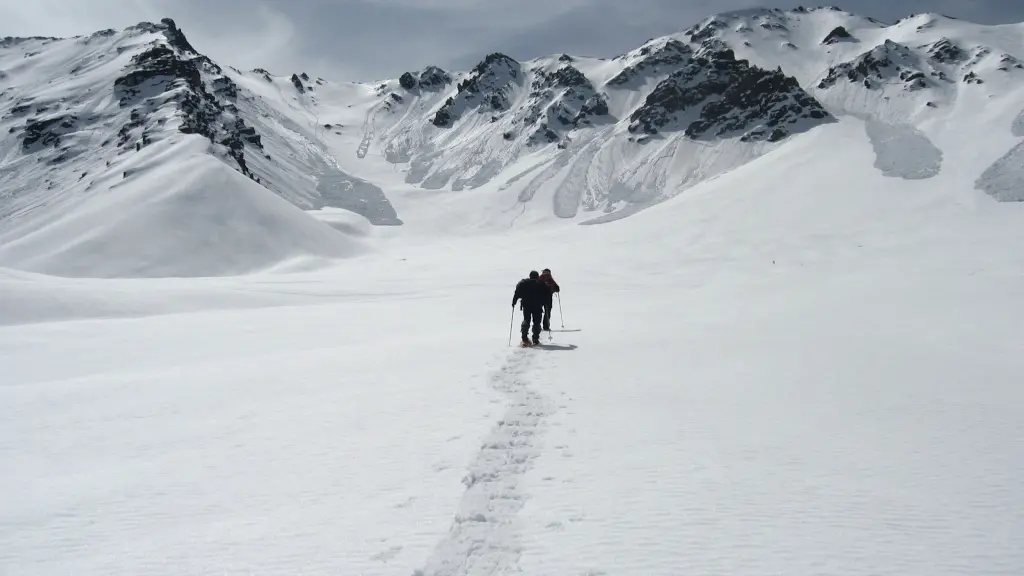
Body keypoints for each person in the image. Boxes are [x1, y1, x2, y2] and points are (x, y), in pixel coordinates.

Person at [512, 270, 550, 346]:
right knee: (537, 321)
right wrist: (546, 304)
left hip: (526, 304)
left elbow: (517, 293)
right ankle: (535, 339)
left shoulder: (523, 283)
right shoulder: (541, 284)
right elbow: (546, 294)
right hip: (537, 305)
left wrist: (514, 301)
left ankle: (524, 337)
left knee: (526, 319)